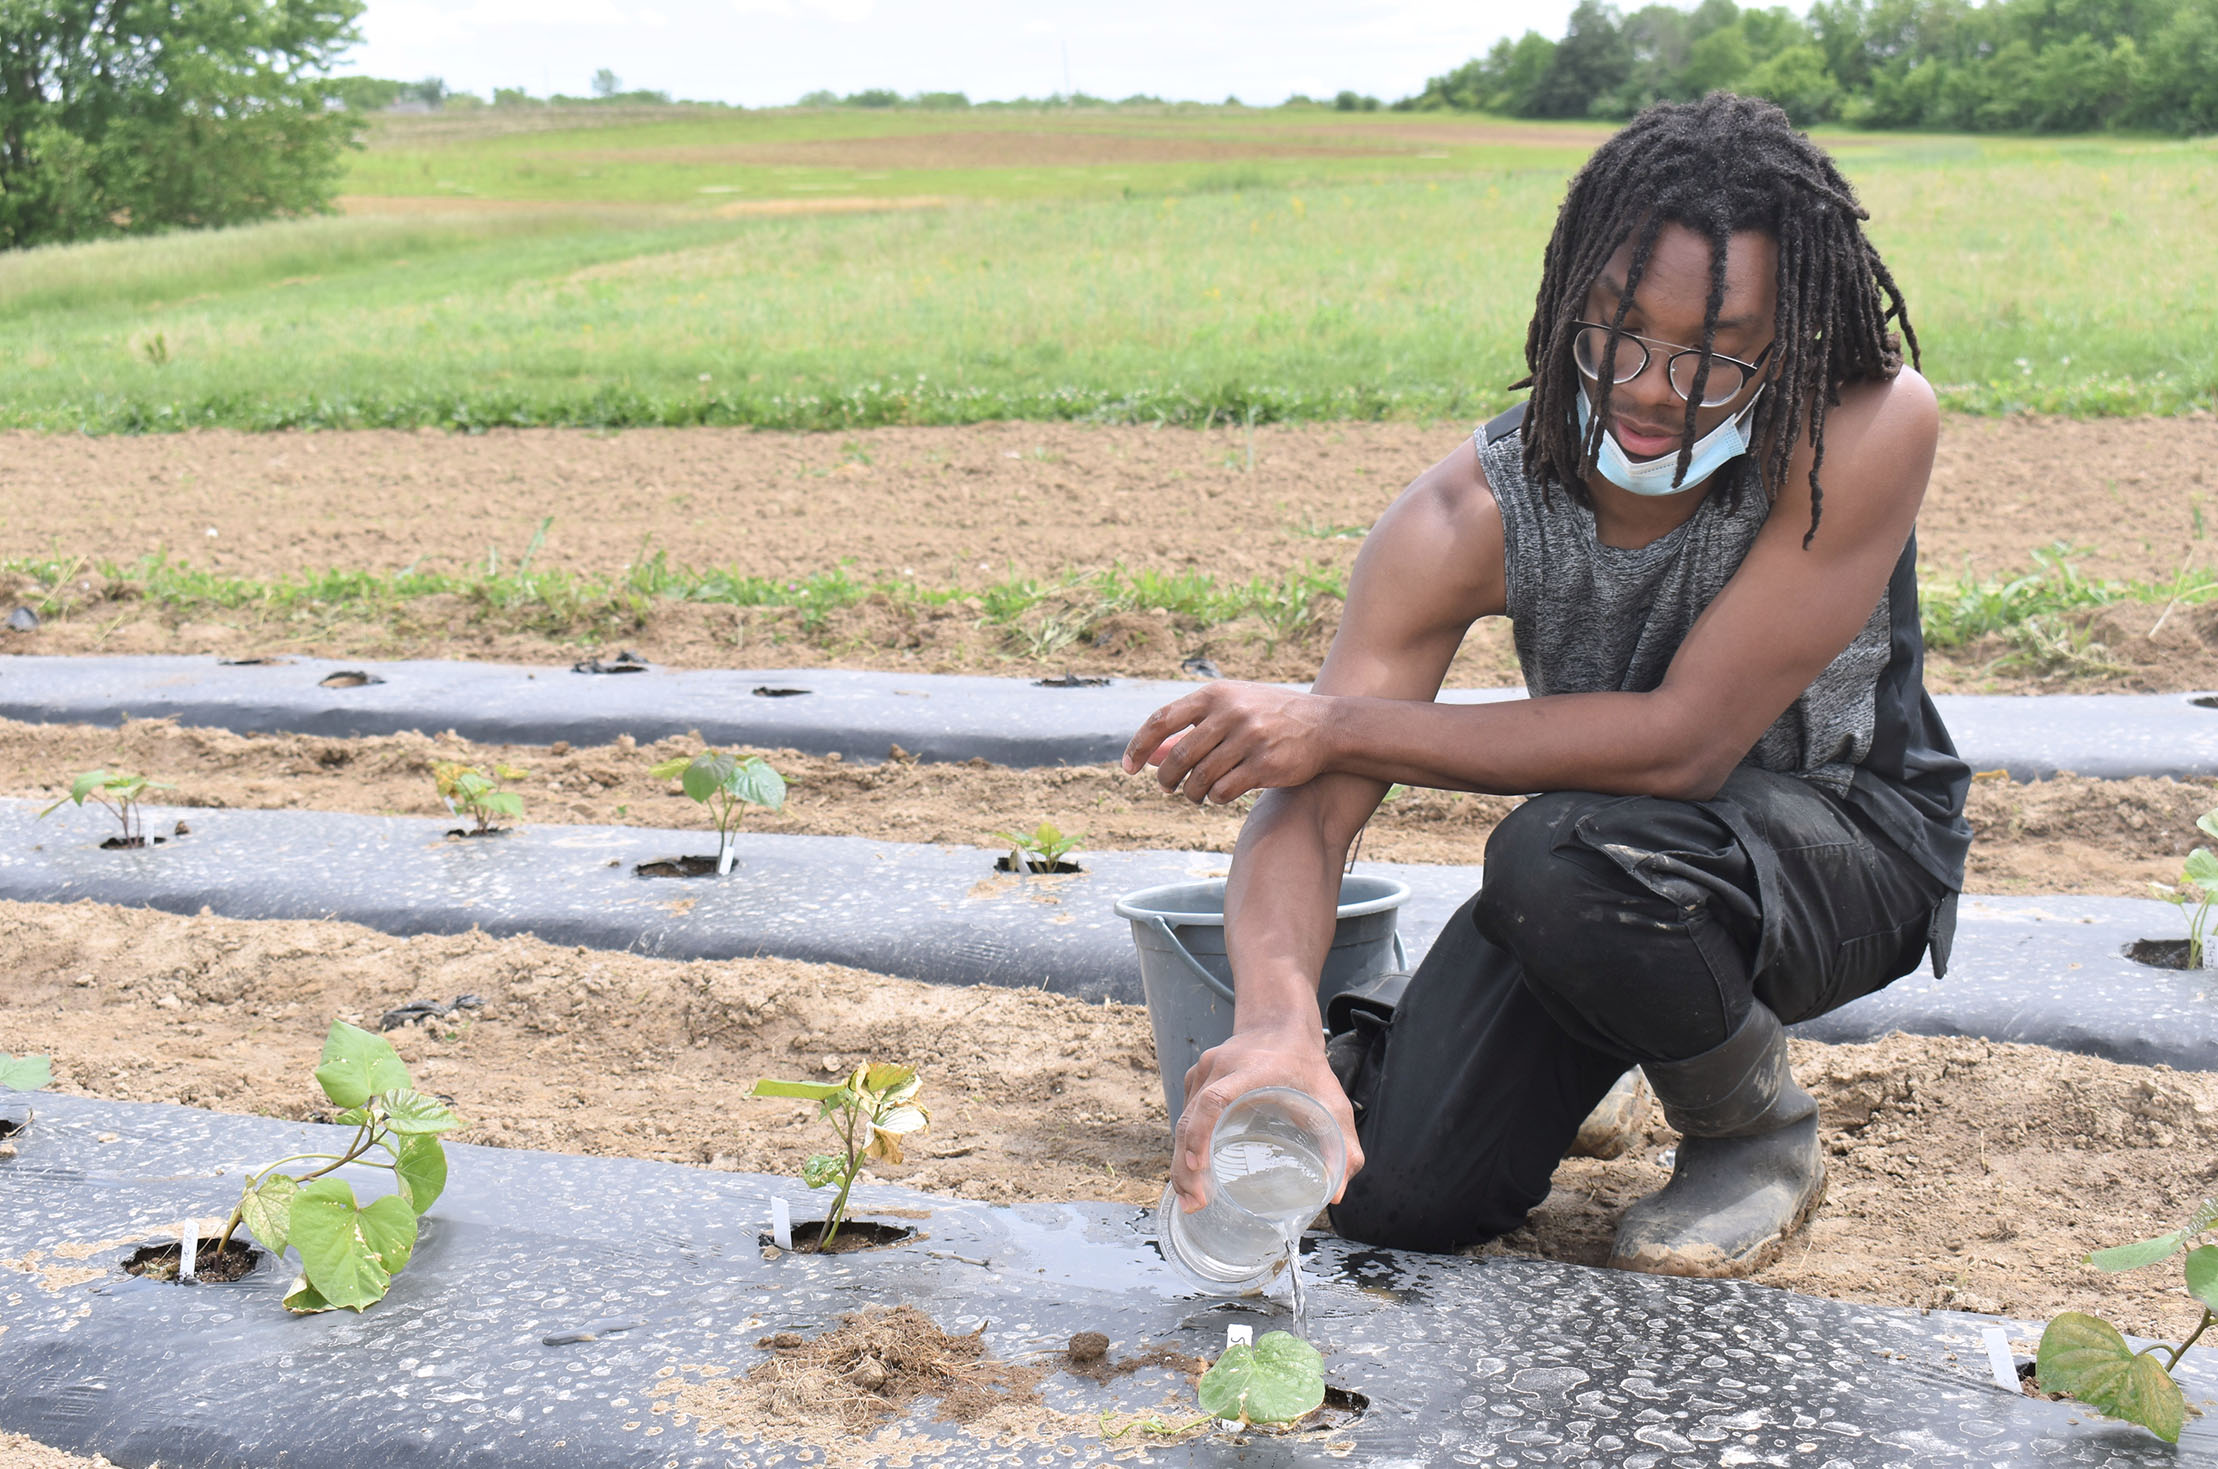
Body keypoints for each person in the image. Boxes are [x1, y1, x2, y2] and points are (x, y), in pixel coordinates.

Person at [1121, 93, 1969, 1278]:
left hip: (1845, 849)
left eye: (1716, 352)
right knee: (1398, 1199)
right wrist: (1273, 1020)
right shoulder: (1467, 512)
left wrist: (1333, 724)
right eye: (1619, 326)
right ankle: (1588, 1037)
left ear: (1794, 341)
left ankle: (1755, 1132)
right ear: (1572, 292)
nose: (1652, 383)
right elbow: (1312, 804)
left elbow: (1684, 747)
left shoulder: (1860, 429)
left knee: (1561, 853)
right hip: (1607, 868)